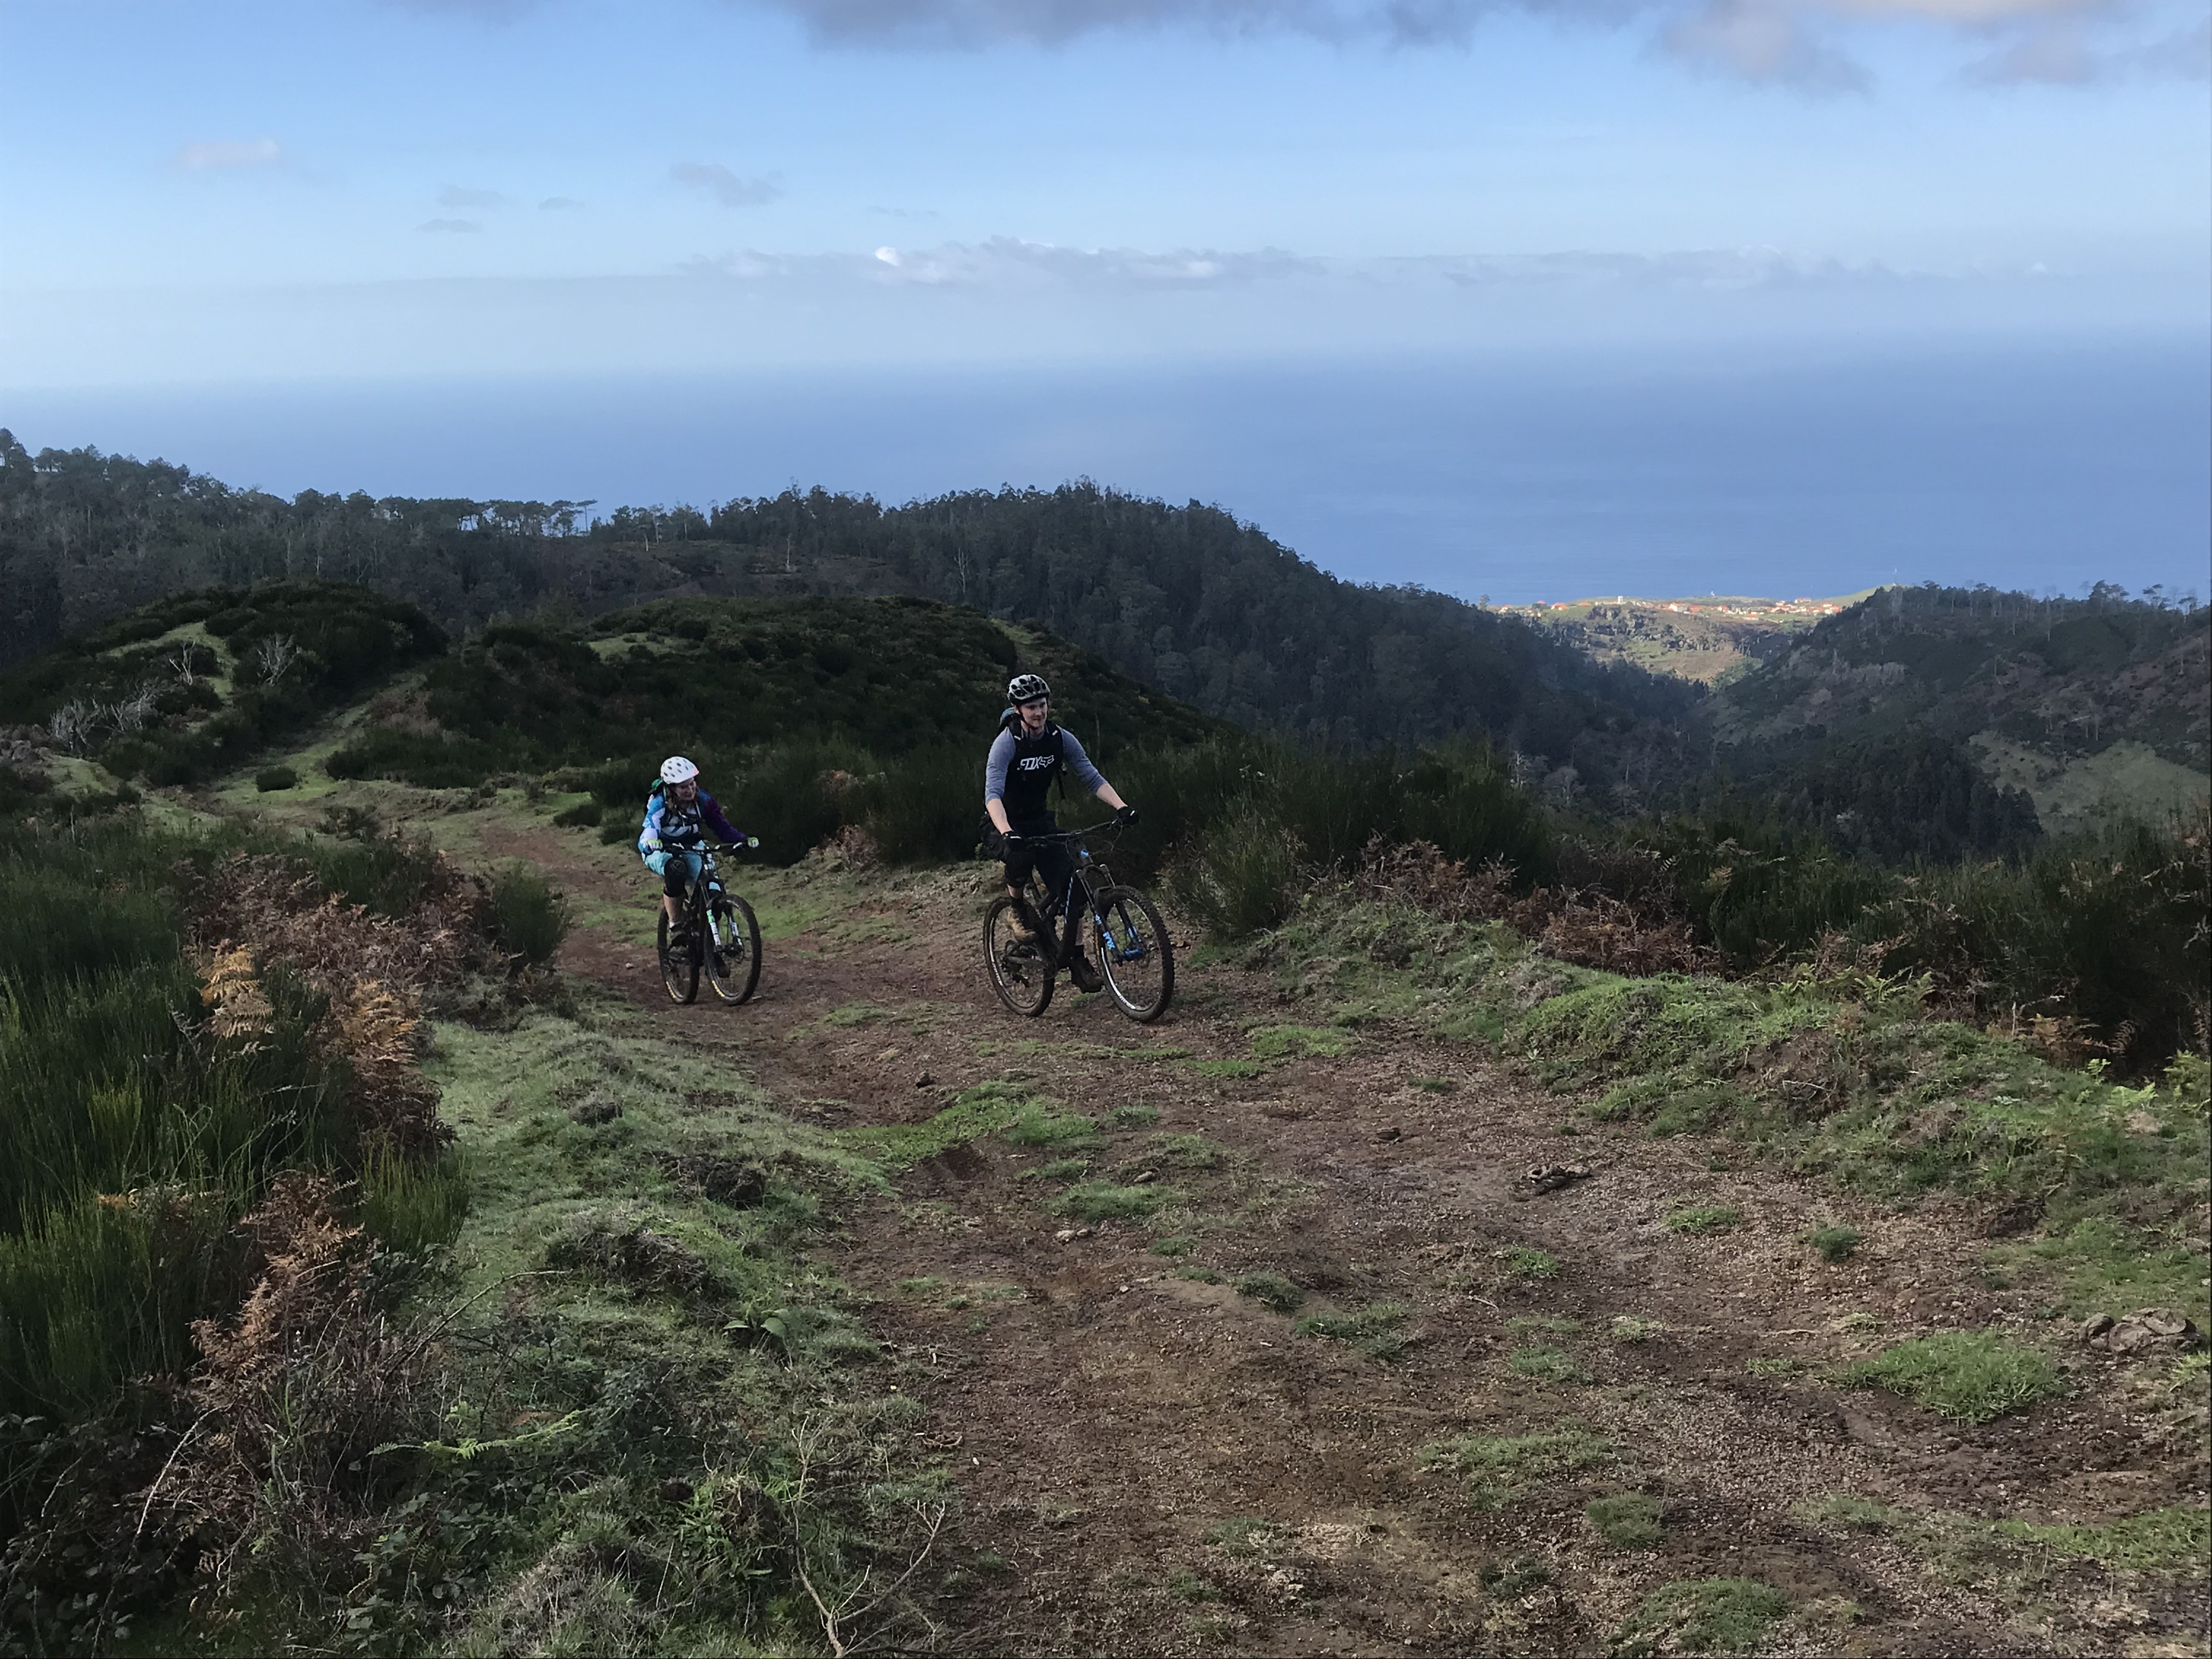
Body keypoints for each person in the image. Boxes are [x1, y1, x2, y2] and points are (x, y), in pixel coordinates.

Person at [983, 674, 1137, 992]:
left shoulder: (1059, 738)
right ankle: (1017, 910)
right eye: (1031, 707)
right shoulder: (1006, 743)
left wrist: (1121, 807)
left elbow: (1091, 777)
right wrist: (1007, 832)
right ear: (1018, 710)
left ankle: (1078, 961)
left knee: (1073, 889)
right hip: (1002, 821)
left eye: (1042, 705)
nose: (1038, 712)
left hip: (1039, 821)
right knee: (1019, 856)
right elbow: (993, 794)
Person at [638, 756, 745, 938]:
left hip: (691, 846)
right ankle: (675, 925)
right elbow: (650, 828)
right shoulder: (659, 802)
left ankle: (711, 940)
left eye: (692, 784)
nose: (689, 790)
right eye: (683, 787)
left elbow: (721, 827)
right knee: (675, 870)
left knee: (714, 890)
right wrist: (651, 842)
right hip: (661, 848)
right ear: (672, 788)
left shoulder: (704, 800)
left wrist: (742, 840)